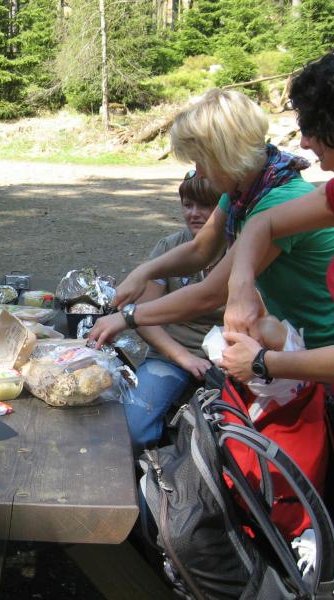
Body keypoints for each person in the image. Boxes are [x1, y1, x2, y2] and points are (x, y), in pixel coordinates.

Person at [220, 46, 334, 598]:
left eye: (313, 128)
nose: (302, 143)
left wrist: (263, 362)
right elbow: (261, 227)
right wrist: (241, 290)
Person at [88, 88, 334, 353]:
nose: (198, 172)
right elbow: (201, 249)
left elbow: (211, 293)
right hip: (294, 336)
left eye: (201, 161)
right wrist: (145, 272)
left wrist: (128, 316)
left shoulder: (278, 199)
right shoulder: (244, 190)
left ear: (225, 155)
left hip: (326, 345)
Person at [124, 171, 224, 453]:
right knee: (133, 429)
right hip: (170, 355)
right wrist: (183, 357)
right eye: (187, 205)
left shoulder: (240, 247)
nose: (194, 213)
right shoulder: (169, 247)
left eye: (205, 205)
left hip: (229, 360)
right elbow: (143, 317)